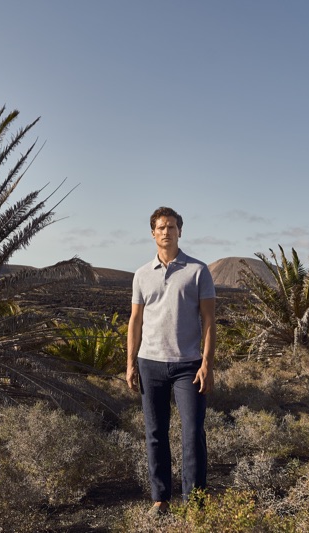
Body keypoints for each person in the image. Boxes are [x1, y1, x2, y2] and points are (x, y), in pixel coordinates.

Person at [126, 206, 216, 515]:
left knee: (192, 433)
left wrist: (207, 364)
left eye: (172, 227)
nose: (167, 231)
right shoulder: (140, 275)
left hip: (188, 365)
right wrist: (130, 363)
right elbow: (135, 322)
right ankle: (160, 500)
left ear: (180, 231)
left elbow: (209, 321)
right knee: (155, 433)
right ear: (153, 233)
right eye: (161, 227)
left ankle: (195, 503)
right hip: (149, 364)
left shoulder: (198, 271)